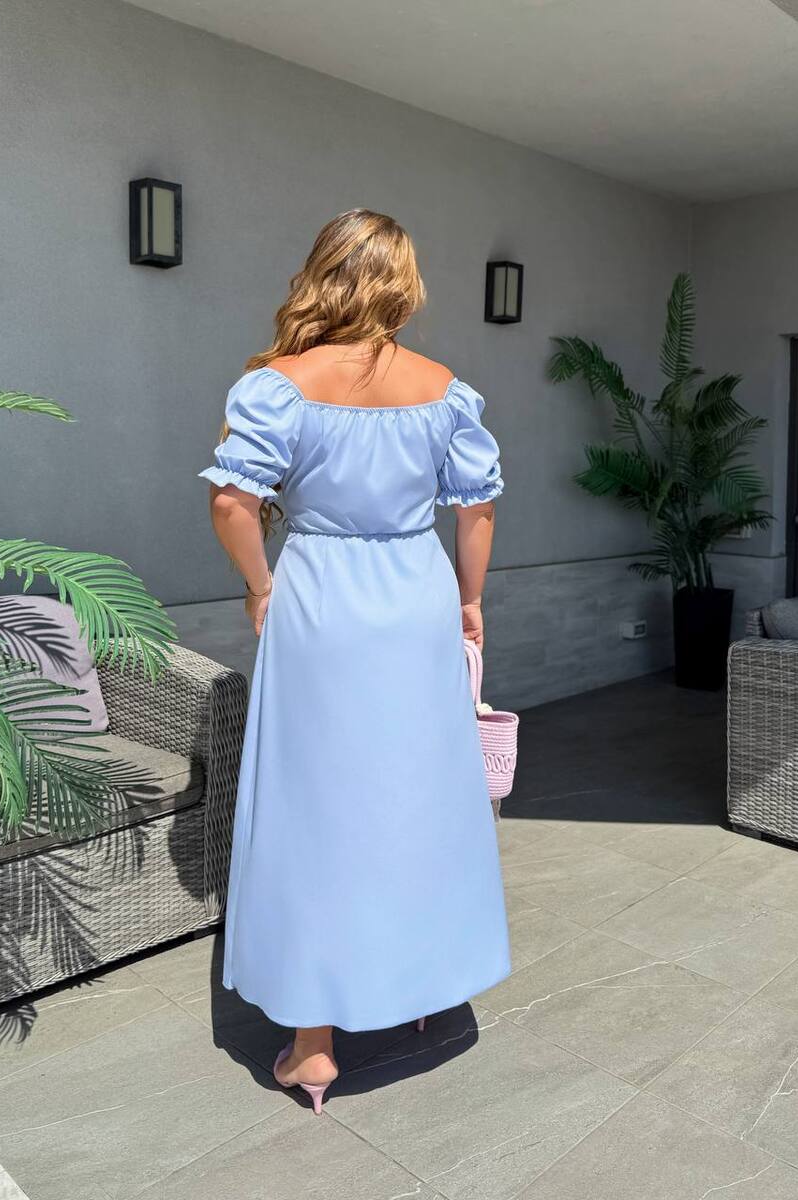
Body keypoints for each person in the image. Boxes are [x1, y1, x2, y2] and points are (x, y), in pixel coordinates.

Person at [199, 208, 511, 1114]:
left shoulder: (279, 387)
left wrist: (261, 586)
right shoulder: (444, 389)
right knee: (418, 794)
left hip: (321, 600)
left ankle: (313, 1048)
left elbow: (231, 504)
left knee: (316, 805)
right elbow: (478, 509)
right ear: (403, 284)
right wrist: (468, 601)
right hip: (414, 597)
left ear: (322, 275)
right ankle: (418, 987)